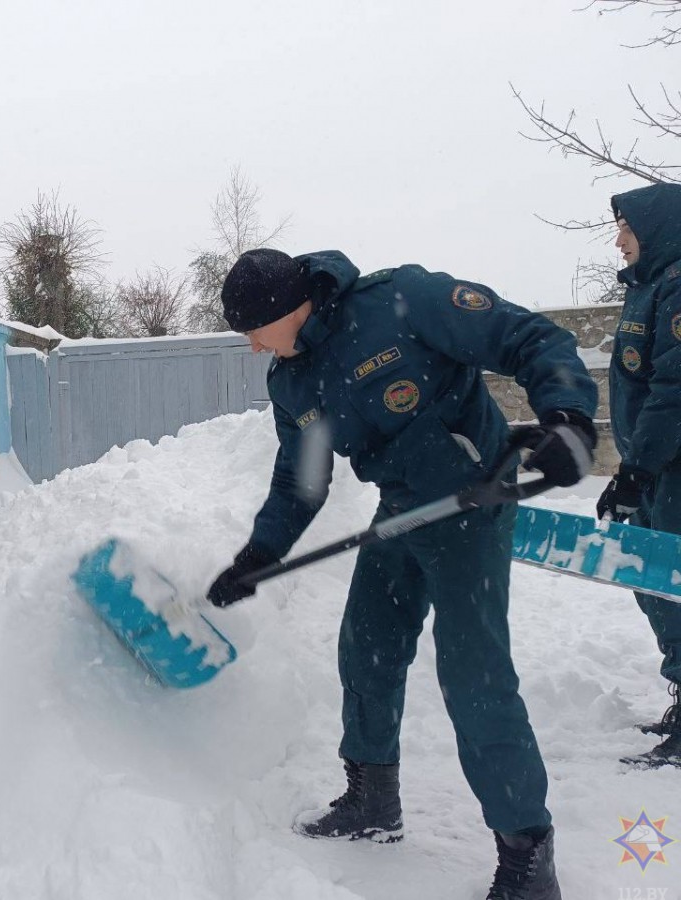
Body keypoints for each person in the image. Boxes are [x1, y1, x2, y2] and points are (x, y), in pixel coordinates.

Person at [208, 249, 598, 900]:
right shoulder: (292, 381)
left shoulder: (402, 302)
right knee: (367, 648)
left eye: (253, 329)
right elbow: (301, 478)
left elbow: (527, 336)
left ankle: (527, 855)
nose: (252, 346)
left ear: (288, 307)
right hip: (401, 510)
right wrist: (259, 555)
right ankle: (372, 799)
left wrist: (570, 418)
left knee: (474, 679)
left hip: (472, 504)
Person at [600, 183, 681, 769]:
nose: (619, 241)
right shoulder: (648, 287)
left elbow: (674, 391)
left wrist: (637, 471)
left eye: (626, 228)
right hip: (653, 469)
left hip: (671, 470)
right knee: (654, 579)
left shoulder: (677, 288)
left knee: (672, 580)